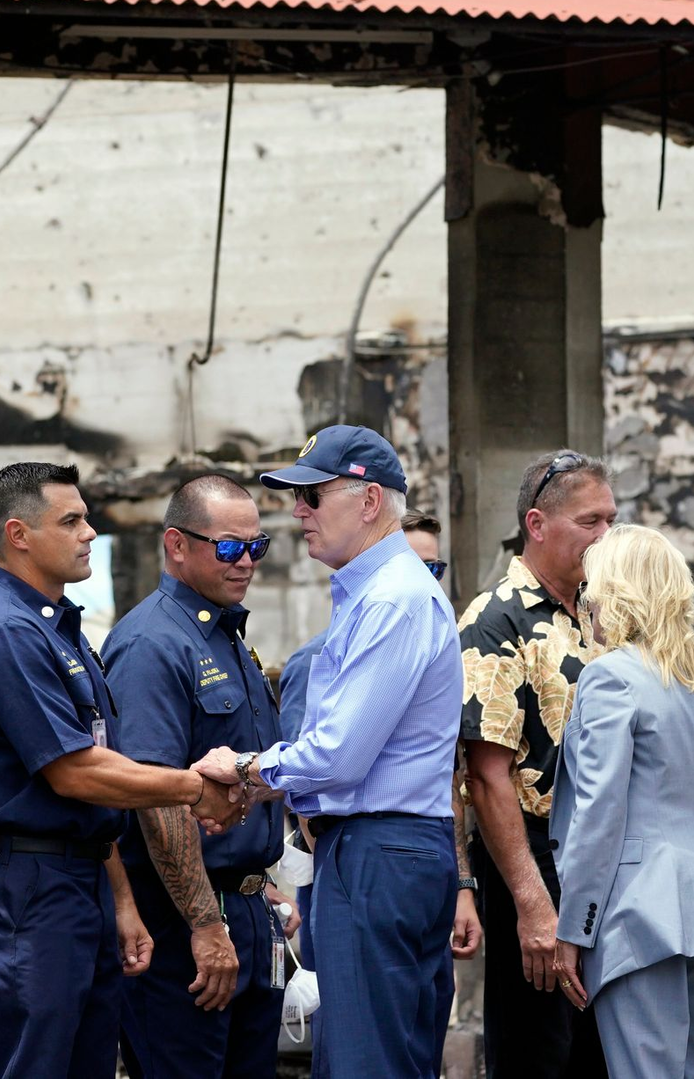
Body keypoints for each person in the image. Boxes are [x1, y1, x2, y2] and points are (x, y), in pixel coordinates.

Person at [0, 462, 242, 1079]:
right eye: (72, 520)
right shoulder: (6, 633)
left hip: (79, 876)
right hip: (29, 884)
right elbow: (76, 774)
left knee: (87, 1062)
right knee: (39, 1061)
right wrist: (194, 787)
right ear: (19, 534)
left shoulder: (61, 630)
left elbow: (94, 788)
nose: (90, 533)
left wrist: (122, 899)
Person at [195, 425, 462, 1079]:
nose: (298, 512)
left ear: (369, 500)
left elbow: (339, 753)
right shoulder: (382, 595)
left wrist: (246, 770)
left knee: (368, 1062)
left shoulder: (391, 599)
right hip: (384, 849)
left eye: (313, 495)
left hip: (379, 851)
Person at [102, 474, 293, 1079]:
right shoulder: (152, 644)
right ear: (176, 546)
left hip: (243, 909)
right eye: (229, 547)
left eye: (256, 547)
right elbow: (155, 797)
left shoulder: (226, 636)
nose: (246, 563)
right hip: (183, 920)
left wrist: (261, 886)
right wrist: (205, 924)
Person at [278, 508, 481, 1067]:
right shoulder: (321, 656)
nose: (417, 577)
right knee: (370, 1051)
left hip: (397, 858)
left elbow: (442, 776)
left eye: (431, 566)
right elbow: (313, 779)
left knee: (387, 1051)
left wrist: (459, 882)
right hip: (368, 857)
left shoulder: (410, 611)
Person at [459, 450, 615, 1079]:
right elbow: (486, 774)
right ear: (537, 523)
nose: (607, 536)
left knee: (604, 1052)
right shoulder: (495, 618)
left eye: (612, 519)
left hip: (603, 860)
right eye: (590, 521)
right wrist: (532, 904)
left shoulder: (606, 611)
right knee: (538, 1054)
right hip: (535, 857)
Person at [550, 524, 694, 1077]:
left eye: (588, 593)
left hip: (641, 917)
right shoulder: (683, 677)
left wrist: (573, 930)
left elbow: (598, 815)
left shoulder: (612, 676)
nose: (586, 607)